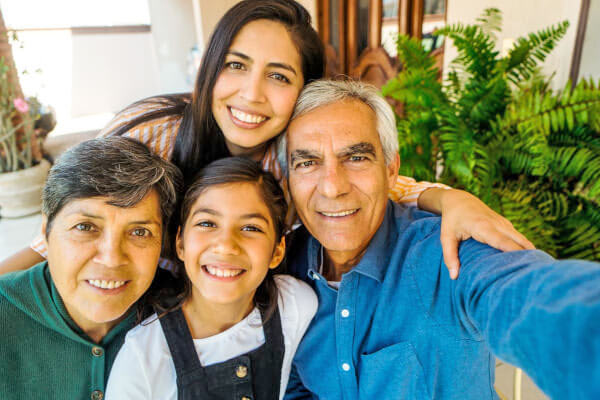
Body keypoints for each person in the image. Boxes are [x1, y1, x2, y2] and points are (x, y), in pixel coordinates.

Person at [0, 0, 533, 278]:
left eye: (279, 76)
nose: (251, 95)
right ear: (210, 68)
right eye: (236, 65)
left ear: (303, 90)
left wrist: (451, 198)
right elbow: (63, 233)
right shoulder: (151, 132)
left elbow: (369, 183)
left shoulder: (289, 160)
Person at [279, 80, 600, 399]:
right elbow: (295, 387)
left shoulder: (447, 252)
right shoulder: (282, 270)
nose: (332, 187)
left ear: (392, 170)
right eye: (307, 163)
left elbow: (528, 295)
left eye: (356, 158)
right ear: (289, 179)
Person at [105, 157, 317, 400]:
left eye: (251, 228)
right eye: (207, 223)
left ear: (277, 251)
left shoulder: (295, 305)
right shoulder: (142, 357)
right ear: (181, 243)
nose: (226, 246)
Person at [0, 137, 182, 400]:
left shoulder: (185, 313)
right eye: (85, 227)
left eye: (140, 232)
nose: (111, 258)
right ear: (45, 232)